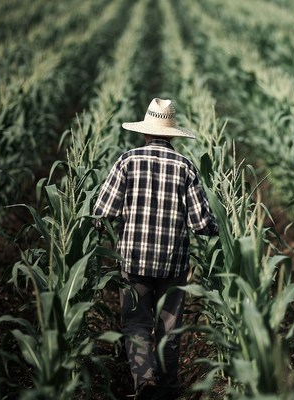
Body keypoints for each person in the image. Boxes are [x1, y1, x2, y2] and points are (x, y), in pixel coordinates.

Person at [93, 98, 218, 400]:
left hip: (133, 261)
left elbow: (101, 212)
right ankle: (167, 390)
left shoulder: (127, 161)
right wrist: (221, 230)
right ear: (172, 134)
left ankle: (144, 381)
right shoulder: (184, 167)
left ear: (145, 133)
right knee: (169, 330)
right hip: (173, 265)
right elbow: (202, 224)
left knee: (136, 323)